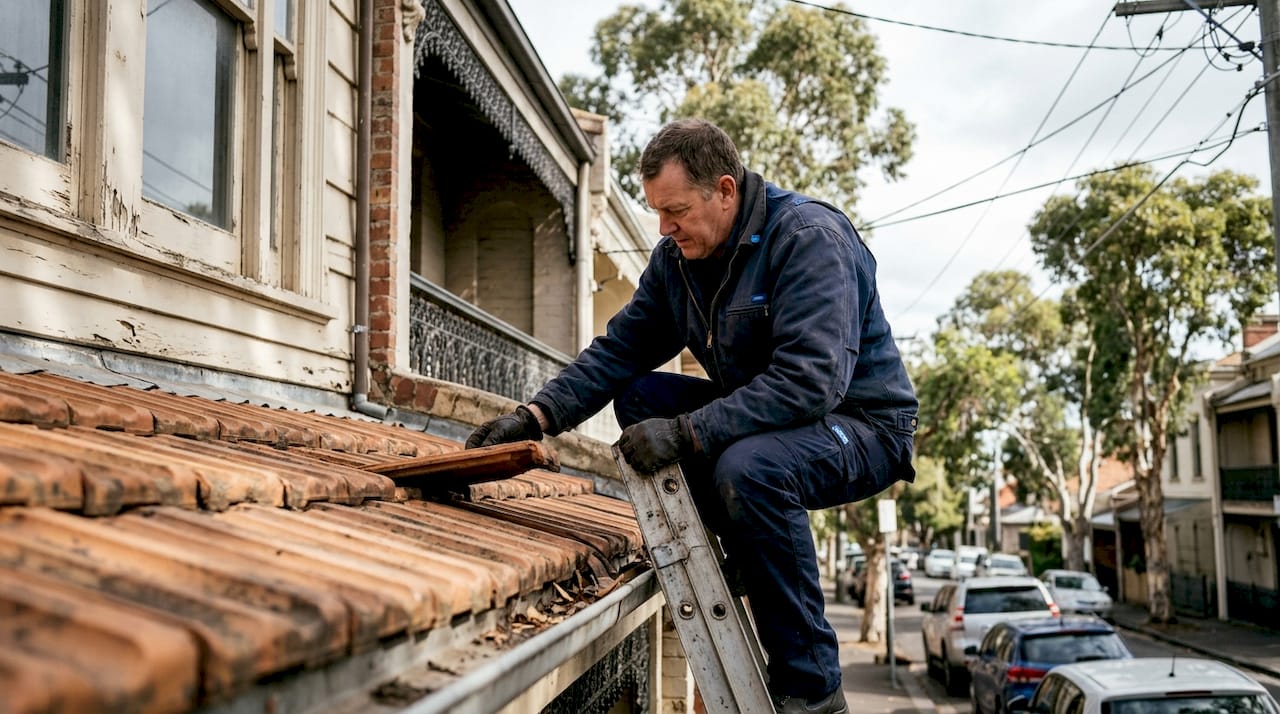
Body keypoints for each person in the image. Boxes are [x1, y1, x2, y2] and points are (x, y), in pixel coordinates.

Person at [466, 118, 917, 714]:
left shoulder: (809, 237)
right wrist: (534, 418)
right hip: (778, 420)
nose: (663, 226)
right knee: (642, 399)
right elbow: (618, 352)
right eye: (656, 212)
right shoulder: (677, 261)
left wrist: (687, 434)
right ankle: (735, 542)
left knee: (750, 468)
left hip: (860, 426)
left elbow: (811, 382)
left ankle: (813, 686)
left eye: (674, 210)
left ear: (725, 190)